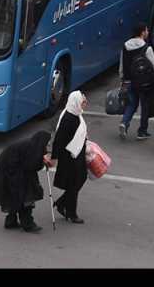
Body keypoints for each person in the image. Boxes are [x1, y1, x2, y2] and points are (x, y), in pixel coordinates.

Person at [0, 131, 53, 233]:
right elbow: (31, 166)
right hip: (11, 170)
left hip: (10, 167)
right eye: (47, 142)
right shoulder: (33, 148)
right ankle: (28, 224)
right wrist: (42, 163)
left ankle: (11, 221)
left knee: (16, 194)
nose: (48, 145)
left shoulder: (33, 146)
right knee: (25, 195)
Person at [50, 91, 89, 224]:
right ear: (76, 102)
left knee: (79, 180)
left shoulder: (75, 113)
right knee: (74, 183)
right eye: (83, 101)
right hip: (70, 157)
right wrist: (54, 157)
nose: (85, 103)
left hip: (76, 154)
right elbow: (59, 139)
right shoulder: (68, 118)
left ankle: (62, 203)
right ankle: (71, 213)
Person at [118, 22, 154, 140]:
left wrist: (122, 78)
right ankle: (142, 131)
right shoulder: (147, 48)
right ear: (142, 32)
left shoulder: (125, 46)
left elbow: (121, 64)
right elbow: (152, 66)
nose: (148, 32)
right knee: (145, 106)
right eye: (146, 30)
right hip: (144, 83)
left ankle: (124, 122)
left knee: (131, 103)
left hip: (129, 80)